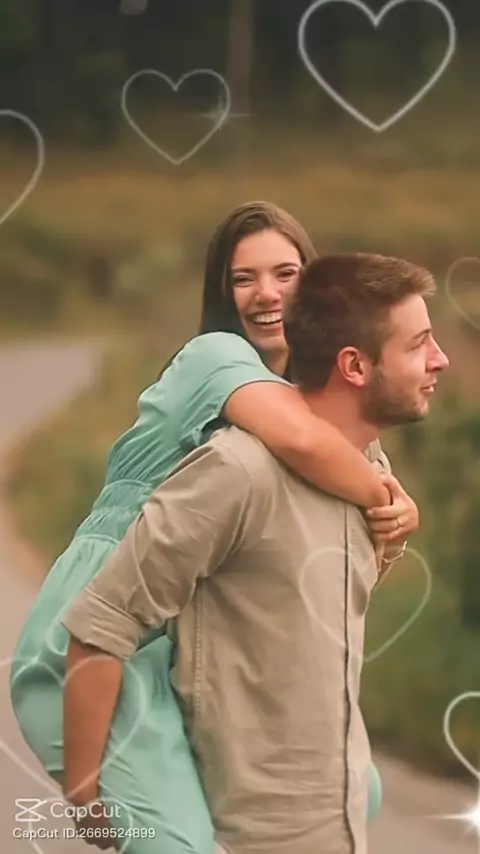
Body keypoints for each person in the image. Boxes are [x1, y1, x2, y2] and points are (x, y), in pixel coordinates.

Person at [10, 204, 414, 853]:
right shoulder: (215, 357)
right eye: (243, 278)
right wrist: (388, 495)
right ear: (222, 293)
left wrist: (389, 522)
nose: (266, 293)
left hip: (190, 643)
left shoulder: (307, 397)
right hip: (96, 631)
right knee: (178, 845)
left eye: (285, 273)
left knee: (352, 789)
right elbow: (302, 442)